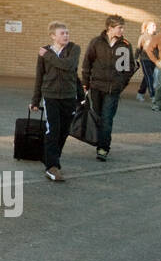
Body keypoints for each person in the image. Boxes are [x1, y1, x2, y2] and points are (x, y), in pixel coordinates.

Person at [30, 21, 82, 181]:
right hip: (50, 96)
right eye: (62, 33)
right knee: (53, 130)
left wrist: (48, 56)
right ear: (53, 36)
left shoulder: (74, 49)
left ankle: (51, 158)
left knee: (64, 131)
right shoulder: (45, 51)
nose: (66, 35)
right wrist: (35, 100)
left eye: (67, 32)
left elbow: (68, 65)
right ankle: (52, 166)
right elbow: (40, 76)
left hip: (69, 96)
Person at [81, 15, 138, 161]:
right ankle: (100, 141)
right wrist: (85, 84)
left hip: (113, 90)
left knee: (107, 119)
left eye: (122, 27)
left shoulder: (125, 45)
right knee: (98, 117)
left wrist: (121, 84)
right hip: (96, 87)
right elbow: (87, 63)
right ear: (110, 28)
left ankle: (103, 148)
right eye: (120, 27)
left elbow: (128, 68)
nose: (122, 30)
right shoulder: (96, 42)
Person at [136, 19, 158, 103]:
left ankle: (140, 93)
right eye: (153, 25)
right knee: (150, 77)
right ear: (148, 27)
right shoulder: (143, 37)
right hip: (145, 59)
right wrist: (135, 59)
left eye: (155, 25)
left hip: (154, 60)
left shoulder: (157, 37)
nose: (155, 27)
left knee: (147, 77)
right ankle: (153, 96)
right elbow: (138, 49)